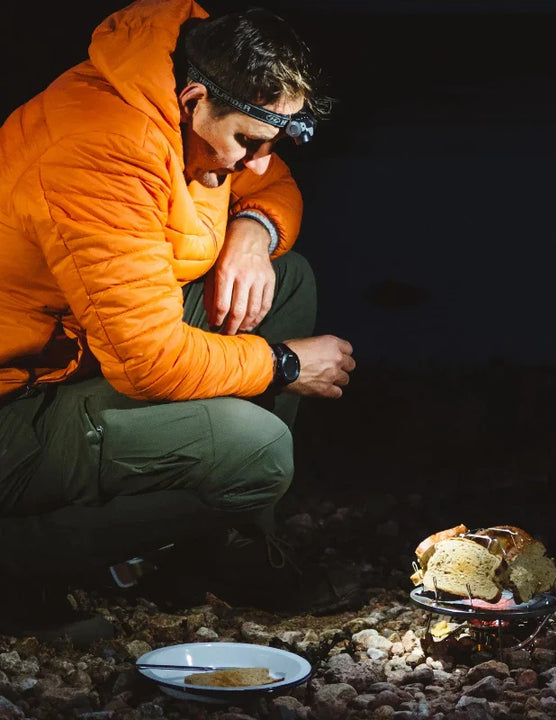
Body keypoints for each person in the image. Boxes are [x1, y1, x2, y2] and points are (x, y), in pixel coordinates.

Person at [0, 0, 356, 639]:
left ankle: (222, 543)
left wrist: (254, 227)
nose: (257, 164)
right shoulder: (100, 151)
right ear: (194, 99)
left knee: (287, 276)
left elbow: (271, 186)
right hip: (12, 405)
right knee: (262, 453)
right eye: (247, 142)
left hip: (74, 355)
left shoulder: (183, 93)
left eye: (270, 144)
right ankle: (17, 566)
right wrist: (285, 364)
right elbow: (148, 362)